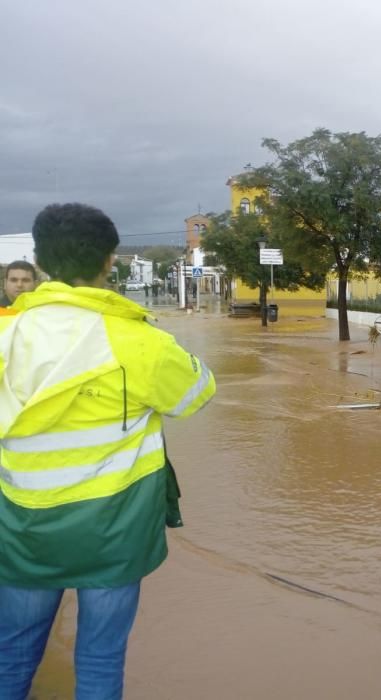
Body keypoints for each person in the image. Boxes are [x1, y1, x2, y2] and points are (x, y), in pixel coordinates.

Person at [0, 203, 216, 699]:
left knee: (11, 656)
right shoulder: (139, 340)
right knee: (100, 660)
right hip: (114, 536)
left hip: (23, 533)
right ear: (109, 261)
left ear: (40, 260)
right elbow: (197, 393)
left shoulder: (8, 335)